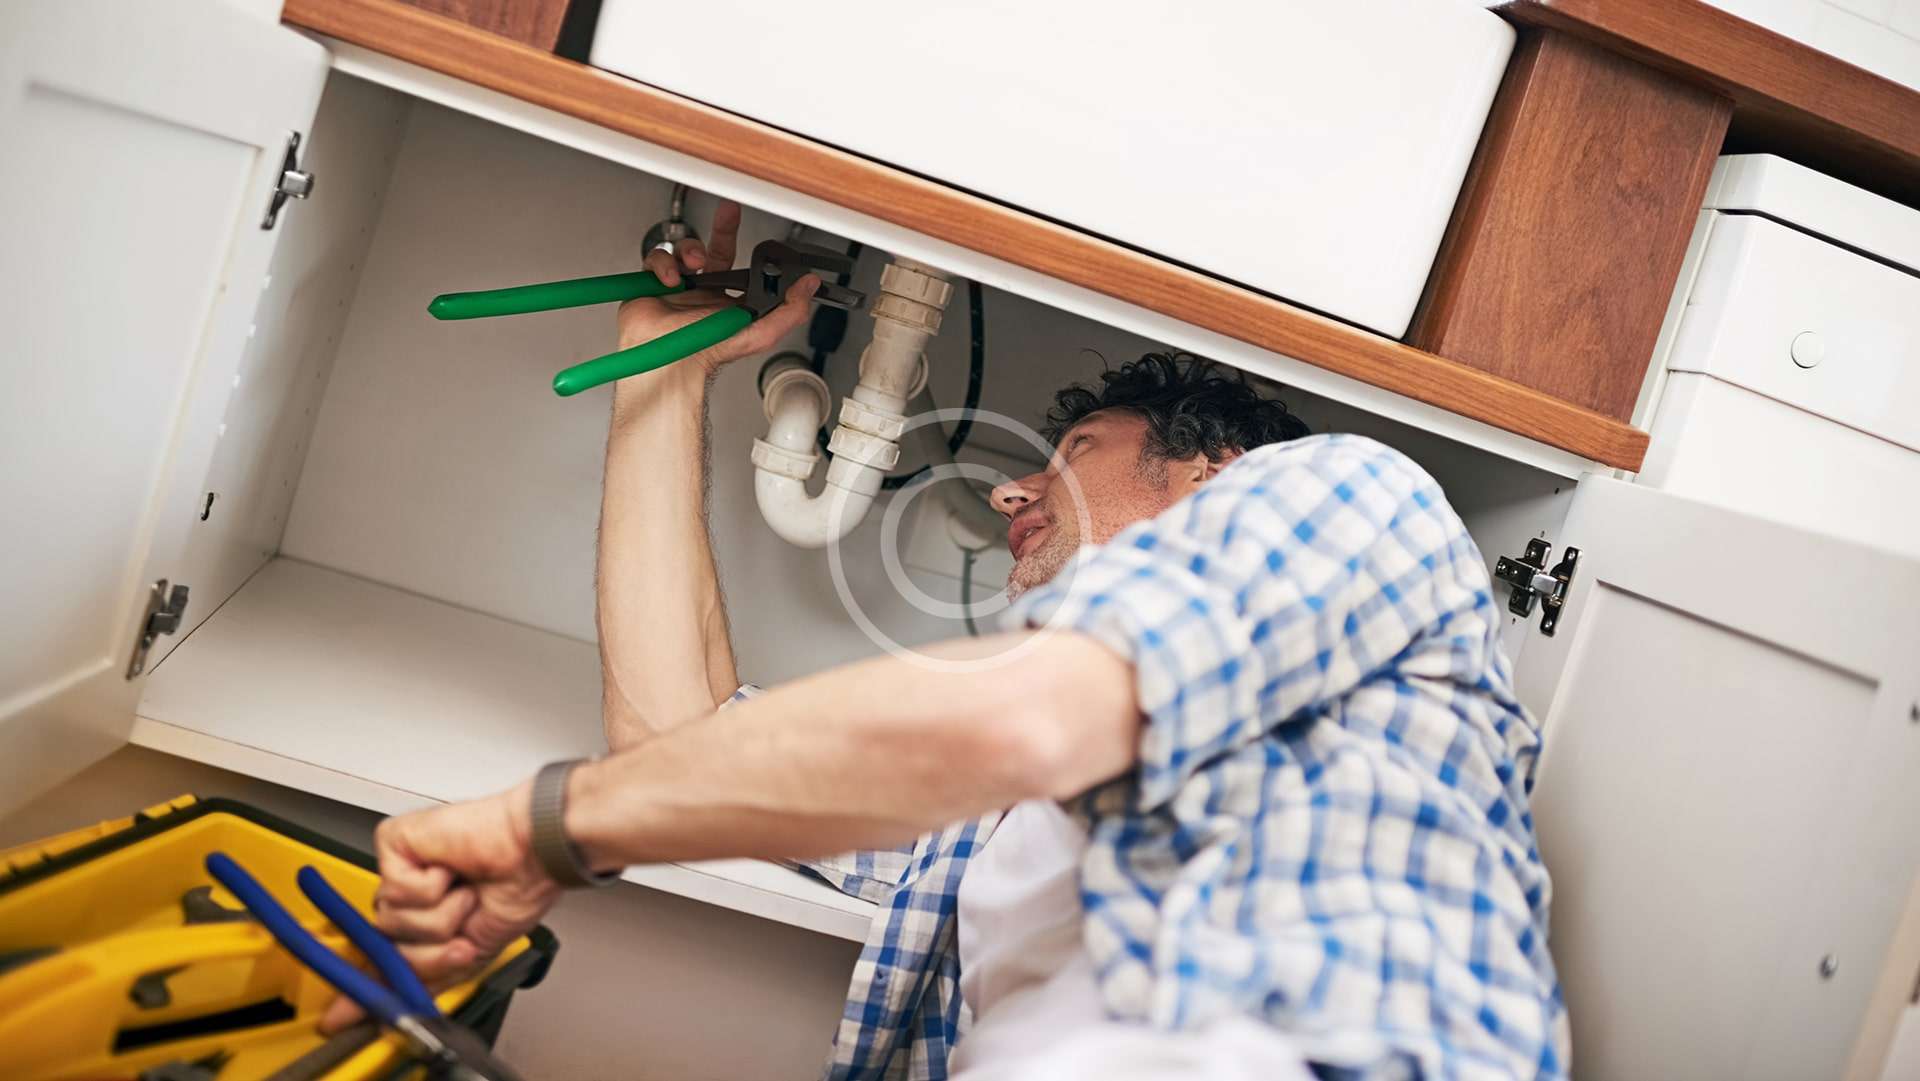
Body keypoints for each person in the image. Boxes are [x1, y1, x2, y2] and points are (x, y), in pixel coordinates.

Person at [353, 202, 1569, 1079]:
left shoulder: (1346, 496)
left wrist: (543, 828)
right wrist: (654, 369)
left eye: (1075, 450)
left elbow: (1023, 712)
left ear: (1212, 469)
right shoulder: (992, 817)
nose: (1008, 491)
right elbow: (670, 736)